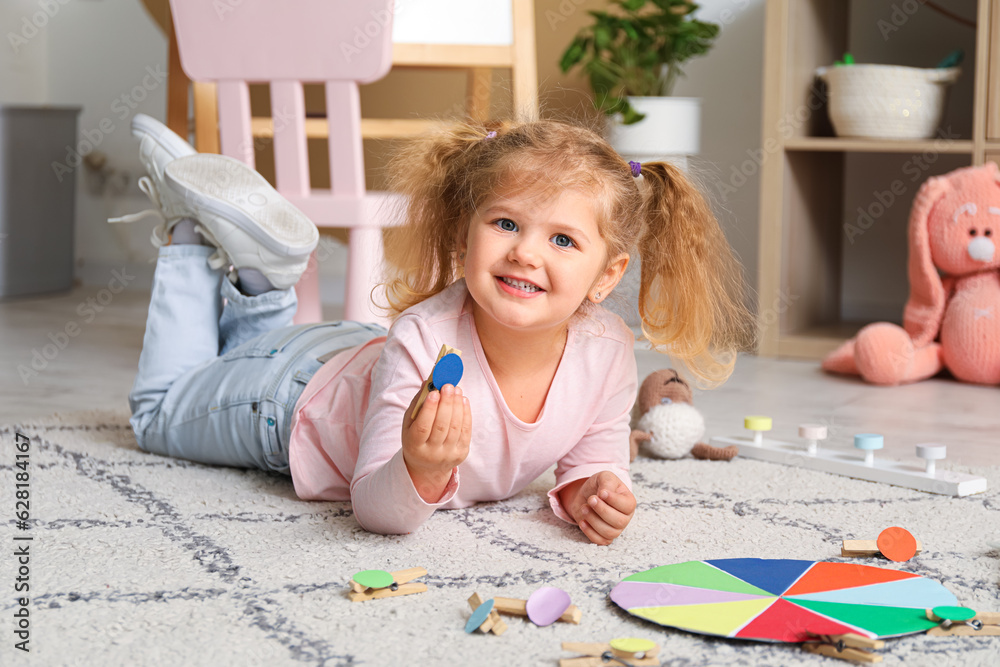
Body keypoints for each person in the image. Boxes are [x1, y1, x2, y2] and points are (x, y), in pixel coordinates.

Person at [120, 114, 754, 546]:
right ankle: (187, 237)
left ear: (606, 275)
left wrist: (592, 491)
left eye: (562, 239)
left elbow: (594, 457)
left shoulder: (609, 352)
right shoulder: (425, 336)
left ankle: (260, 282)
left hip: (351, 356)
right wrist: (419, 468)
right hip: (291, 400)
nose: (526, 254)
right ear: (464, 230)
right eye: (505, 224)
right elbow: (375, 508)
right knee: (155, 414)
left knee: (228, 358)